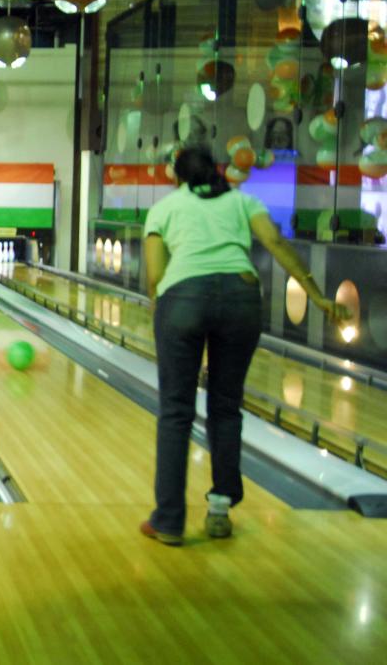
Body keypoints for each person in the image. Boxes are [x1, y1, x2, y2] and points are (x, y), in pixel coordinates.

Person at [141, 146, 350, 546]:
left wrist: (167, 314)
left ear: (177, 177)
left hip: (182, 298)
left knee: (176, 412)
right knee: (225, 405)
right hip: (241, 298)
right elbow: (275, 242)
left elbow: (155, 277)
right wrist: (318, 297)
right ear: (217, 172)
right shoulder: (242, 200)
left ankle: (168, 520)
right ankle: (220, 506)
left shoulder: (164, 209)